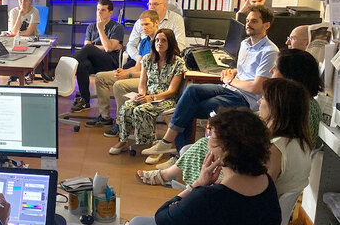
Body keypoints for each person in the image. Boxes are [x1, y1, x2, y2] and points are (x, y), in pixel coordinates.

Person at [119, 108, 281, 225]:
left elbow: (162, 217)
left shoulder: (207, 198)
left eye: (211, 138)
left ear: (224, 151)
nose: (206, 141)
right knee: (136, 224)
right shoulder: (267, 185)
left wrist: (197, 184)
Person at [138, 49, 322, 188]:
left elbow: (262, 174)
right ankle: (175, 167)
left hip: (250, 173)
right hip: (258, 167)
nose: (271, 71)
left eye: (275, 68)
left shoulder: (290, 114)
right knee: (193, 97)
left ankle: (181, 176)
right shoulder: (299, 104)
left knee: (206, 137)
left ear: (290, 75)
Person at [143, 5, 279, 161]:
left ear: (266, 25)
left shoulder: (269, 51)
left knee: (188, 109)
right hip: (230, 88)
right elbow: (244, 70)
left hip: (245, 99)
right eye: (247, 20)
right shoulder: (245, 44)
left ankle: (174, 151)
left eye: (254, 21)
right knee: (192, 90)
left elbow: (256, 88)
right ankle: (173, 149)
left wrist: (231, 80)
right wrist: (232, 72)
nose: (248, 24)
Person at [110, 29, 186, 156]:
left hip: (166, 99)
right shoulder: (147, 59)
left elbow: (172, 91)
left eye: (163, 40)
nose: (159, 43)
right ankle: (123, 141)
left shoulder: (178, 63)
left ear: (170, 43)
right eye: (157, 40)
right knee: (126, 107)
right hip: (148, 95)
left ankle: (151, 145)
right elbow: (142, 82)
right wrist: (141, 93)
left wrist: (151, 98)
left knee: (141, 110)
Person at [89, 10, 160, 132]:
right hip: (140, 75)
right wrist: (123, 71)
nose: (144, 28)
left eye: (147, 24)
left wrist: (128, 74)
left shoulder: (160, 42)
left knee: (119, 85)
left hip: (151, 80)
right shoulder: (144, 42)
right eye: (142, 25)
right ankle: (105, 117)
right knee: (101, 77)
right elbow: (138, 67)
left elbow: (152, 74)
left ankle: (121, 123)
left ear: (156, 23)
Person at [70, 0, 124, 112]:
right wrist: (105, 47)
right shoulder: (91, 27)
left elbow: (108, 49)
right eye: (98, 10)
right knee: (82, 65)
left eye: (103, 10)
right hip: (93, 61)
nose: (99, 13)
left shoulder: (117, 27)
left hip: (109, 62)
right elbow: (88, 46)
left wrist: (100, 29)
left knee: (89, 48)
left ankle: (66, 68)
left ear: (110, 12)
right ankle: (85, 100)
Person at [124, 0, 186, 65]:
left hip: (164, 59)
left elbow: (180, 45)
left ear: (165, 6)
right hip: (141, 59)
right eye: (150, 4)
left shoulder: (176, 19)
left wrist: (162, 57)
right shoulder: (140, 22)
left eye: (155, 4)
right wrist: (140, 58)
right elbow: (131, 45)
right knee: (123, 70)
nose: (152, 7)